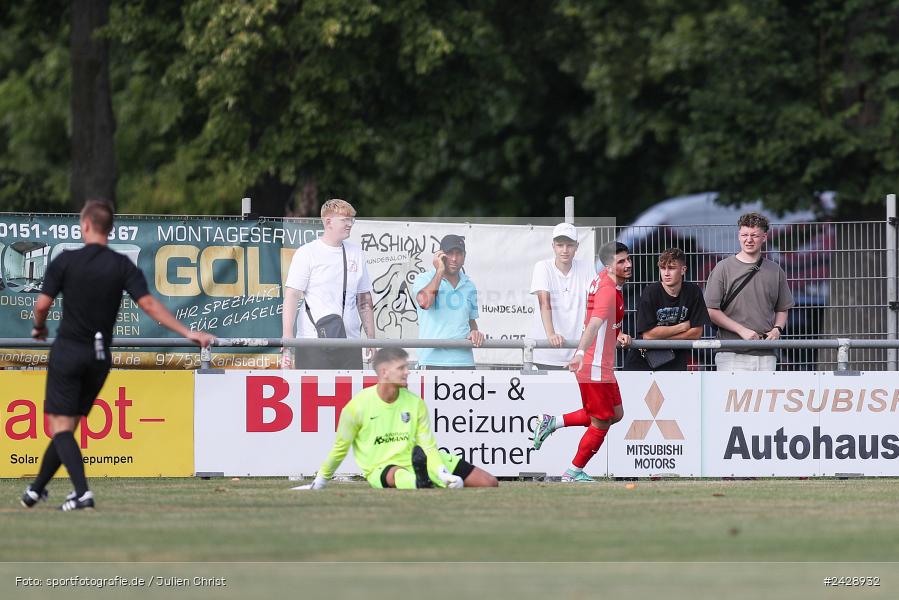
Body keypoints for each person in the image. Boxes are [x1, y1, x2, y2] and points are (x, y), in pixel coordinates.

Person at [21, 200, 216, 511]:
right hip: (99, 358)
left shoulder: (66, 261)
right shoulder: (122, 265)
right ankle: (35, 491)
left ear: (85, 226)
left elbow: (41, 305)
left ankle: (82, 492)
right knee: (67, 431)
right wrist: (188, 332)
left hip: (69, 351)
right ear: (109, 230)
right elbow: (149, 305)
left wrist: (38, 329)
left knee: (60, 428)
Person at [295, 347, 498, 490]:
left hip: (419, 460)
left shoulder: (415, 403)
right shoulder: (356, 406)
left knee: (489, 482)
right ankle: (421, 483)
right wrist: (320, 481)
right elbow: (340, 449)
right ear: (384, 372)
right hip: (381, 468)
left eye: (406, 367)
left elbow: (428, 447)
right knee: (396, 475)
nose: (408, 372)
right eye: (401, 368)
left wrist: (442, 471)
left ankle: (430, 479)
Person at [530, 242, 632, 482]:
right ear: (608, 266)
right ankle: (573, 472)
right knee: (601, 421)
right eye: (621, 262)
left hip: (600, 364)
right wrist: (579, 353)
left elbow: (602, 319)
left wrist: (615, 334)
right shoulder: (607, 288)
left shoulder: (602, 279)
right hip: (594, 364)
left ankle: (553, 422)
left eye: (628, 259)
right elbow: (595, 322)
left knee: (615, 414)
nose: (627, 265)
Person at [282, 199, 375, 369]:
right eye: (344, 220)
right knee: (312, 395)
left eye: (351, 220)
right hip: (313, 342)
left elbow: (364, 300)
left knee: (351, 394)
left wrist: (371, 338)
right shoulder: (307, 252)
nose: (349, 224)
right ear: (327, 221)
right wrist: (287, 342)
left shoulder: (356, 253)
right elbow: (292, 295)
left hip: (350, 342)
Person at [704, 212, 793, 371]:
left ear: (764, 237)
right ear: (738, 236)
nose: (749, 240)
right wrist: (741, 330)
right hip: (731, 353)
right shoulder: (723, 268)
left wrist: (777, 329)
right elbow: (711, 310)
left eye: (754, 235)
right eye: (744, 234)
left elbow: (782, 308)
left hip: (766, 354)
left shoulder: (775, 270)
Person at [624, 247, 710, 371]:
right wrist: (682, 327)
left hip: (675, 361)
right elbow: (648, 335)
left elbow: (696, 333)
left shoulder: (693, 292)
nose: (666, 273)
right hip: (642, 362)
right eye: (663, 268)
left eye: (672, 268)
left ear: (683, 270)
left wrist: (661, 337)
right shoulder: (650, 292)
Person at [528, 223, 596, 370]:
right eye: (560, 245)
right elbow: (544, 303)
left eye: (569, 245)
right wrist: (551, 334)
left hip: (578, 355)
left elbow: (596, 304)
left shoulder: (587, 267)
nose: (565, 250)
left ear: (577, 246)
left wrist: (617, 331)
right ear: (553, 246)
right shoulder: (543, 267)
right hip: (546, 355)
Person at [412, 234, 485, 369]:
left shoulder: (470, 285)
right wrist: (439, 270)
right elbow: (425, 303)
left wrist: (475, 332)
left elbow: (471, 321)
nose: (454, 258)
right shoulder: (423, 278)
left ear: (465, 256)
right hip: (431, 361)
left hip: (465, 362)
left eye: (459, 254)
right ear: (440, 255)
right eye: (450, 253)